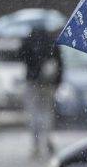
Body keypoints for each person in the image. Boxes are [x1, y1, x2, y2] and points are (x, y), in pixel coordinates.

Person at [18, 29, 63, 157]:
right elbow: (60, 63)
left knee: (34, 113)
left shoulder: (28, 41)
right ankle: (48, 138)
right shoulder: (51, 42)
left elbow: (20, 56)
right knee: (47, 112)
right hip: (49, 84)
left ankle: (36, 143)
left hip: (32, 83)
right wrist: (58, 81)